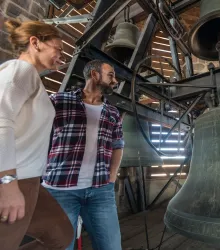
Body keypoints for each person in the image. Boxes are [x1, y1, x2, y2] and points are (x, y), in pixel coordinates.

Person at [0, 19, 73, 249]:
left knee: (61, 234)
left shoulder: (33, 79)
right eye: (58, 48)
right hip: (13, 179)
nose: (61, 54)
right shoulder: (20, 70)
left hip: (30, 180)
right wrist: (8, 184)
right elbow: (1, 121)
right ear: (36, 42)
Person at [43, 59, 124, 250]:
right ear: (95, 75)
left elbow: (118, 145)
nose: (115, 81)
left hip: (100, 190)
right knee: (60, 246)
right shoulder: (59, 101)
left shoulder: (112, 112)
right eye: (111, 75)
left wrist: (111, 177)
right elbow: (33, 131)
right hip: (60, 190)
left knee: (111, 246)